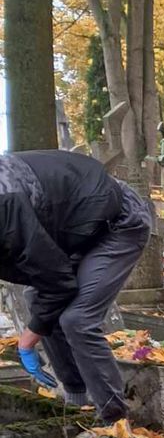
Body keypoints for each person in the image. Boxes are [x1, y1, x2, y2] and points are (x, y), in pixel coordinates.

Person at [0, 151, 151, 423]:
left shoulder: (6, 209)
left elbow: (58, 283)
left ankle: (115, 423)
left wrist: (27, 340)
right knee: (37, 298)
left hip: (120, 223)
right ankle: (77, 401)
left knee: (77, 319)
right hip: (79, 226)